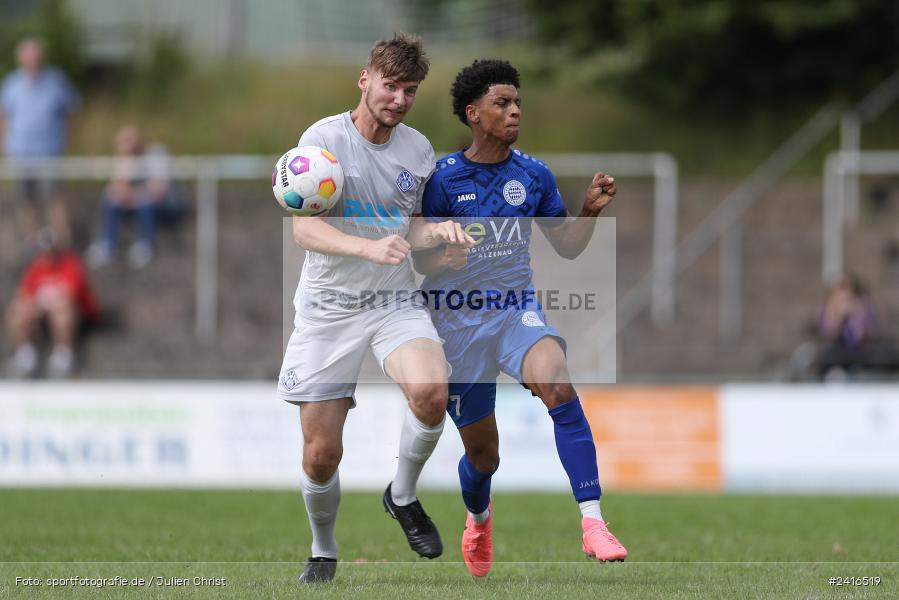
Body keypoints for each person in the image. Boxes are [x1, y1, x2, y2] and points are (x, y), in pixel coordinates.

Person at [412, 59, 628, 578]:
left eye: (517, 103)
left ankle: (593, 522)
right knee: (484, 458)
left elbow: (567, 246)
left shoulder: (533, 175)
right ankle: (478, 519)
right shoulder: (442, 178)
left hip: (514, 311)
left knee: (558, 384)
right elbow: (420, 258)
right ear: (474, 113)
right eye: (502, 103)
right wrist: (443, 256)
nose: (514, 112)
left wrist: (589, 211)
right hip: (455, 323)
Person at [276, 34, 475, 584]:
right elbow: (304, 230)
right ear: (365, 80)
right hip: (329, 307)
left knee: (432, 393)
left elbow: (412, 228)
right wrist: (367, 247)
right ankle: (323, 549)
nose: (400, 99)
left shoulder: (418, 150)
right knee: (321, 455)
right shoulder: (323, 140)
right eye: (391, 86)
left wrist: (440, 236)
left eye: (410, 91)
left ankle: (402, 495)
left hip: (393, 298)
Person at [0, 38, 79, 248]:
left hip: (49, 151)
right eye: (28, 59)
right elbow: (4, 115)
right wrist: (4, 144)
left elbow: (72, 110)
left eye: (35, 59)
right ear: (21, 60)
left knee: (53, 197)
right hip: (20, 151)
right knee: (25, 199)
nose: (32, 63)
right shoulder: (11, 83)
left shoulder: (56, 81)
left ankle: (63, 241)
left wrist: (68, 138)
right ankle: (32, 242)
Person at [5, 228, 100, 379]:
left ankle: (64, 355)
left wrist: (44, 304)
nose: (47, 254)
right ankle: (26, 354)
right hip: (43, 315)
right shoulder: (36, 268)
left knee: (62, 310)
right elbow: (23, 294)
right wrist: (34, 307)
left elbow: (70, 297)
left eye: (51, 250)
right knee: (18, 310)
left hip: (76, 314)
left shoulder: (71, 265)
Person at [86, 125, 180, 269]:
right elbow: (114, 191)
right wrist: (126, 162)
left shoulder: (156, 154)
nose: (125, 146)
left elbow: (158, 191)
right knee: (112, 203)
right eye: (122, 143)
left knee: (145, 203)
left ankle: (145, 246)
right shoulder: (125, 159)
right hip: (138, 203)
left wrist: (132, 196)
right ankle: (108, 246)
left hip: (168, 206)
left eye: (128, 141)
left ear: (139, 141)